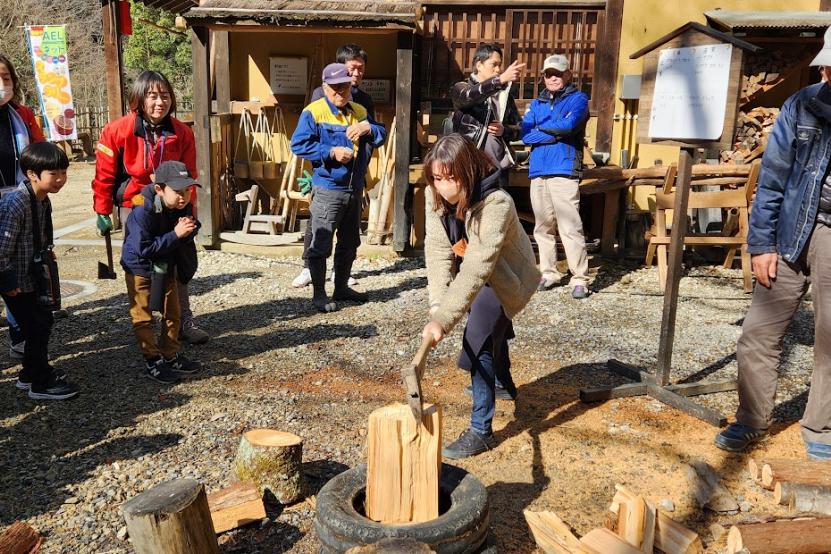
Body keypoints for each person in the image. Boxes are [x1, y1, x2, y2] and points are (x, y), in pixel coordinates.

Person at [714, 29, 831, 461]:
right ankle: (751, 418)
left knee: (829, 335)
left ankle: (821, 423)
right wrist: (761, 244)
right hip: (787, 229)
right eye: (825, 64)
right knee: (758, 333)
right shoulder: (801, 104)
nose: (825, 70)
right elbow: (772, 178)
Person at [422, 134, 540, 459]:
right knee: (490, 333)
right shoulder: (435, 201)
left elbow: (477, 266)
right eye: (436, 178)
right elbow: (437, 252)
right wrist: (437, 306)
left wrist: (444, 319)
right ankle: (502, 384)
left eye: (451, 178)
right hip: (478, 277)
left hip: (507, 279)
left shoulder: (496, 203)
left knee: (477, 339)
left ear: (468, 170)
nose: (443, 187)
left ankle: (481, 430)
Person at [92, 70, 209, 345]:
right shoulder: (116, 130)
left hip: (173, 204)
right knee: (142, 262)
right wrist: (102, 209)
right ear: (139, 99)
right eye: (152, 96)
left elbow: (190, 173)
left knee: (177, 263)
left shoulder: (182, 132)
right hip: (135, 204)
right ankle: (144, 324)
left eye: (165, 96)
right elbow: (104, 174)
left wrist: (188, 208)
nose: (160, 102)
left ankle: (181, 320)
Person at [290, 63, 386, 313]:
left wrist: (369, 127)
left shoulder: (360, 110)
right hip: (327, 189)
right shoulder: (314, 112)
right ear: (325, 87)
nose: (340, 92)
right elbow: (298, 145)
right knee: (321, 242)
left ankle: (341, 287)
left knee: (350, 242)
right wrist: (330, 151)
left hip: (354, 187)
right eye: (334, 88)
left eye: (344, 86)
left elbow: (381, 135)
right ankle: (319, 294)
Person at [0, 142, 79, 399]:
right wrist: (8, 281)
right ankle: (40, 382)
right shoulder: (17, 202)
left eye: (63, 173)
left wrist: (46, 250)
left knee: (42, 323)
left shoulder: (42, 199)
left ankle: (28, 375)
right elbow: (2, 248)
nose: (60, 180)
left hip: (34, 275)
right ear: (32, 174)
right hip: (18, 279)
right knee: (35, 326)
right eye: (53, 174)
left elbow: (41, 233)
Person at [120, 160, 202, 384]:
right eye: (177, 191)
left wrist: (191, 227)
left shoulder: (180, 205)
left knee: (172, 309)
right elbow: (144, 248)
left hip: (165, 262)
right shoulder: (142, 210)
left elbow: (187, 232)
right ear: (159, 189)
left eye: (187, 190)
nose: (184, 196)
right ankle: (152, 359)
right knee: (143, 315)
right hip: (140, 266)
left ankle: (170, 353)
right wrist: (176, 234)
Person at [521, 54, 591, 299]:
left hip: (564, 168)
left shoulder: (579, 99)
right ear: (542, 77)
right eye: (548, 74)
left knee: (570, 226)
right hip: (538, 170)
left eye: (558, 73)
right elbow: (525, 134)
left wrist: (544, 129)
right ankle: (549, 272)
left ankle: (580, 278)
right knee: (542, 227)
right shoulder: (537, 103)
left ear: (568, 75)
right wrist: (552, 131)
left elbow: (569, 127)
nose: (553, 78)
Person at [0, 53, 46, 360]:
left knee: (17, 267)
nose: (2, 84)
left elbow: (40, 151)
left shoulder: (22, 115)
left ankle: (21, 337)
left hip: (19, 196)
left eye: (5, 77)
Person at [449, 44, 524, 185]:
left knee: (498, 205)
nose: (498, 69)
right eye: (494, 64)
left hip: (498, 167)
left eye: (500, 65)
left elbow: (520, 129)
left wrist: (505, 130)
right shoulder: (461, 88)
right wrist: (499, 80)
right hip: (470, 164)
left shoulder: (504, 96)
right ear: (479, 65)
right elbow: (469, 96)